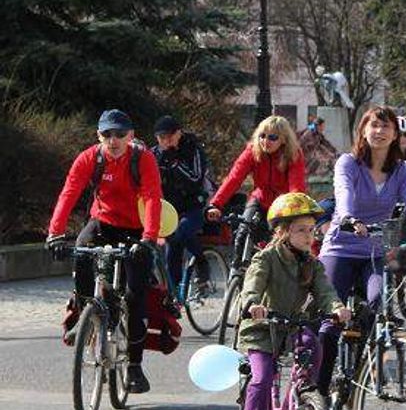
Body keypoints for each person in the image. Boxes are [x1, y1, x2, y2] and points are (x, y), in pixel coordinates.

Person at [231, 192, 351, 410]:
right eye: (301, 230)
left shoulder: (312, 263)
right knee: (261, 381)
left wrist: (337, 308)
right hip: (262, 328)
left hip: (293, 325)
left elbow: (325, 291)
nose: (309, 236)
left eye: (311, 230)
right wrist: (252, 305)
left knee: (315, 345)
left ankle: (303, 400)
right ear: (283, 232)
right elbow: (252, 287)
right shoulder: (266, 258)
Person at [46, 109, 163, 394]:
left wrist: (148, 238)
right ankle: (85, 314)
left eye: (120, 134)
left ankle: (134, 366)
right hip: (103, 222)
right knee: (82, 254)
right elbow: (69, 191)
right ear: (98, 136)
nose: (113, 140)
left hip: (136, 229)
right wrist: (55, 232)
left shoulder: (143, 158)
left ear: (131, 136)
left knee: (136, 296)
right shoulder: (90, 158)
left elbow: (152, 196)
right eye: (107, 134)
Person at [315, 106, 406, 396]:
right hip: (341, 246)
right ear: (363, 130)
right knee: (330, 319)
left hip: (376, 251)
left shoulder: (402, 171)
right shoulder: (348, 163)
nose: (380, 131)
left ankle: (359, 363)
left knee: (379, 303)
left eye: (386, 126)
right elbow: (344, 195)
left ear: (395, 134)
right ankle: (319, 388)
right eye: (374, 125)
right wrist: (350, 219)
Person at [205, 116, 306, 239]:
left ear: (283, 140)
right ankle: (240, 258)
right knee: (242, 235)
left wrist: (294, 209)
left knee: (281, 241)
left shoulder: (293, 154)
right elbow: (234, 178)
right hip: (260, 200)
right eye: (262, 136)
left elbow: (296, 186)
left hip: (284, 203)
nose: (265, 141)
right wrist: (216, 204)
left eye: (272, 137)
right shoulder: (252, 151)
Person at [151, 115, 213, 295]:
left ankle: (201, 262)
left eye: (169, 137)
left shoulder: (193, 150)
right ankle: (173, 293)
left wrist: (175, 164)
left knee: (182, 231)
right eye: (161, 138)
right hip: (168, 209)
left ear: (179, 133)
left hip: (193, 206)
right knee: (172, 246)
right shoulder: (155, 153)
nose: (166, 142)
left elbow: (195, 179)